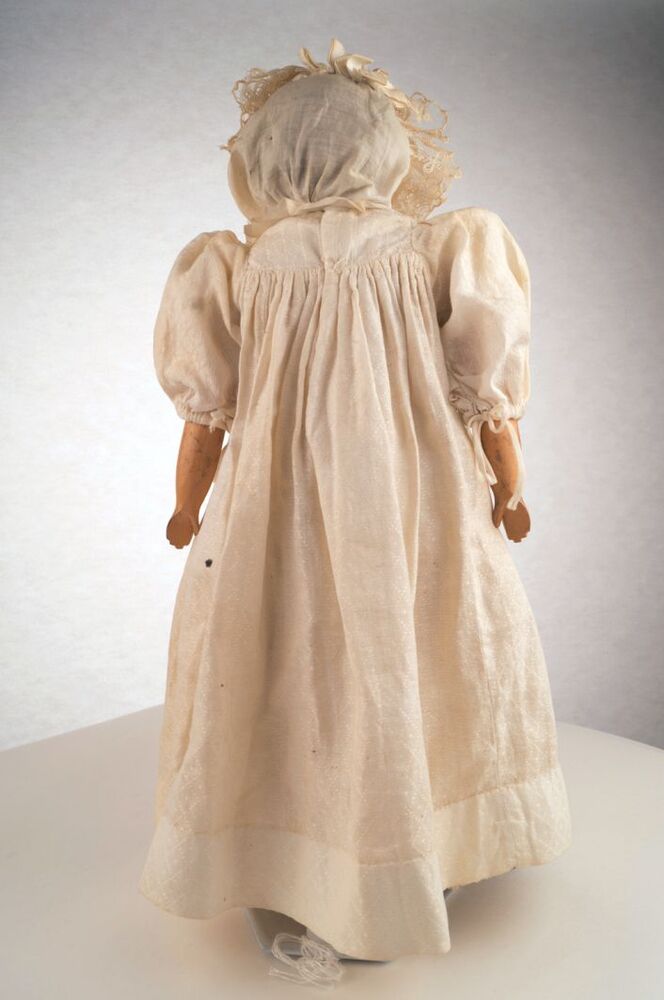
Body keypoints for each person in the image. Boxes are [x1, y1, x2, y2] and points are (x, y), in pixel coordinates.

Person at [138, 38, 572, 965]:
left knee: (283, 655)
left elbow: (206, 418)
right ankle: (418, 835)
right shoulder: (441, 249)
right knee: (427, 643)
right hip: (419, 499)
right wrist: (511, 489)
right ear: (388, 149)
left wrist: (187, 508)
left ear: (263, 158)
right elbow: (491, 401)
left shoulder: (237, 268)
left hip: (273, 511)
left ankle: (293, 834)